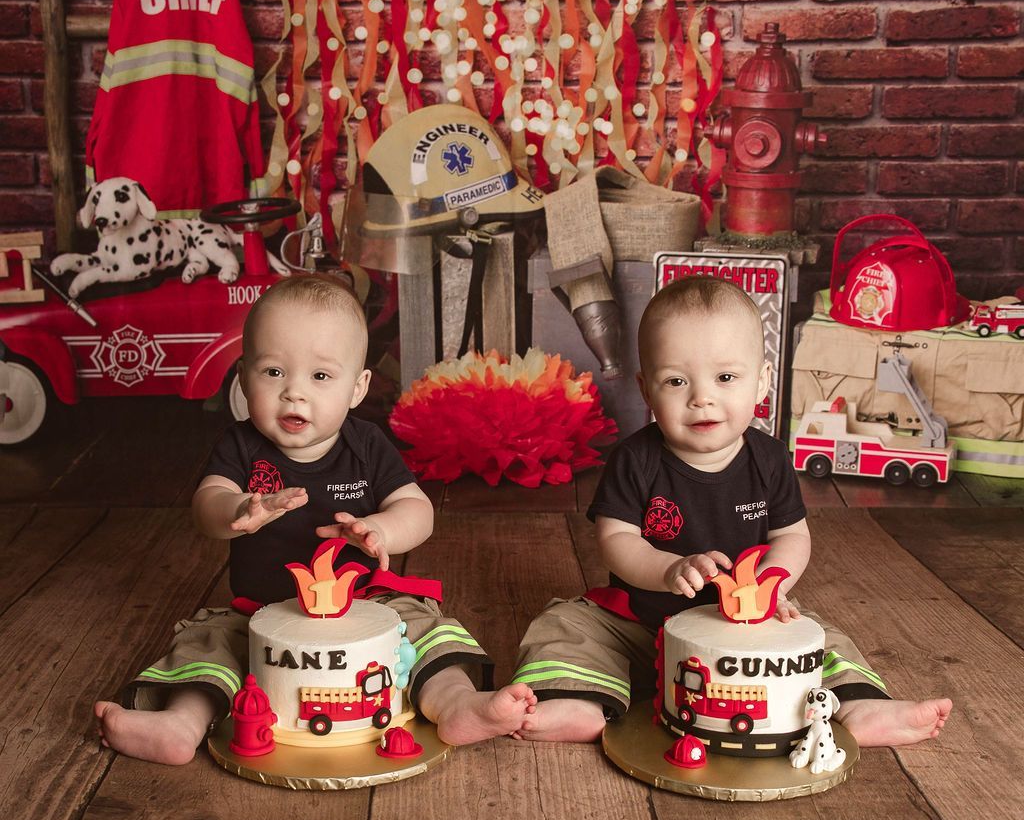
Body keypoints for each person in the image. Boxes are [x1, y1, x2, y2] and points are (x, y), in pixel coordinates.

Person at [94, 274, 536, 764]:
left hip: (369, 606)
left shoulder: (366, 446)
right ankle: (182, 723)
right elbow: (206, 503)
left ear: (357, 387)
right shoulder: (241, 446)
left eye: (320, 377)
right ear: (243, 376)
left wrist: (381, 527)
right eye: (273, 372)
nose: (294, 394)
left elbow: (419, 509)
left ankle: (455, 704)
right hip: (257, 610)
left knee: (425, 629)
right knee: (210, 645)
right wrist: (240, 509)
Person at [511, 276, 953, 746]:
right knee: (565, 625)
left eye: (725, 378)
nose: (702, 397)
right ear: (646, 389)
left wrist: (772, 583)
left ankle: (862, 706)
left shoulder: (769, 459)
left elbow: (791, 536)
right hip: (640, 620)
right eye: (677, 381)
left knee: (820, 638)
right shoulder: (635, 459)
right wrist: (668, 569)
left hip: (744, 630)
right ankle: (576, 699)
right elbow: (616, 539)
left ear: (761, 381)